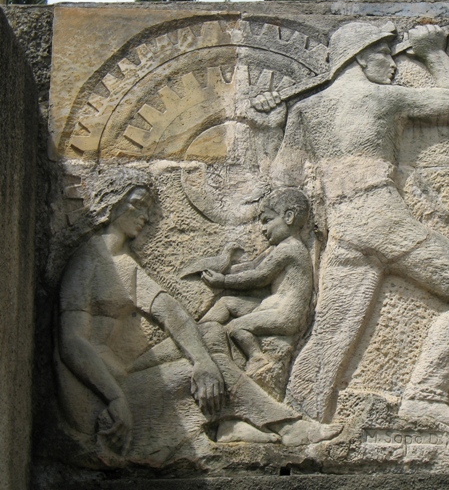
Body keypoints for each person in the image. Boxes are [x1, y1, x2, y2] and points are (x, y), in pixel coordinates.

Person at [253, 22, 449, 432]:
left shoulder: (304, 109)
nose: (392, 65)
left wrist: (271, 124)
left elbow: (284, 179)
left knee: (329, 336)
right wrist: (432, 52)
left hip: (342, 229)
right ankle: (425, 395)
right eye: (384, 54)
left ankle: (295, 422)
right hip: (381, 218)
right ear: (359, 57)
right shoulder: (382, 98)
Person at [56, 170, 341, 463]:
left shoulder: (123, 265)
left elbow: (171, 312)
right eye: (137, 204)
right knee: (195, 372)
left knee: (210, 334)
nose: (145, 216)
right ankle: (286, 425)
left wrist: (202, 360)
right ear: (111, 205)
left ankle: (225, 423)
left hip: (122, 376)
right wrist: (115, 397)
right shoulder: (88, 260)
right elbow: (72, 342)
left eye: (148, 208)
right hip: (99, 397)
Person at [200, 188, 313, 380]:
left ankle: (257, 357)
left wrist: (224, 280)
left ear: (289, 217)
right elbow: (253, 265)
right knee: (227, 303)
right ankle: (201, 329)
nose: (262, 229)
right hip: (271, 306)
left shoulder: (290, 249)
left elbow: (260, 276)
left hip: (286, 315)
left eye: (267, 221)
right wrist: (226, 269)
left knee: (235, 327)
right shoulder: (278, 249)